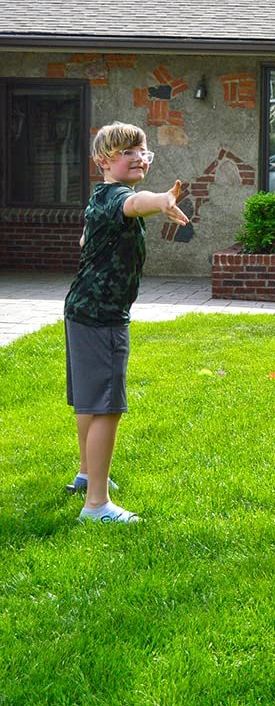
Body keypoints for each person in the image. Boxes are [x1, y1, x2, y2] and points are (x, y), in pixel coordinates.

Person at [64, 121, 190, 523]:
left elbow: (87, 239)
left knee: (89, 399)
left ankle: (86, 474)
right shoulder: (120, 196)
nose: (138, 156)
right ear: (103, 161)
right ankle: (97, 505)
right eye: (127, 152)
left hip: (83, 309)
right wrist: (161, 200)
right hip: (102, 317)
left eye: (142, 149)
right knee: (107, 407)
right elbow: (136, 204)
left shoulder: (101, 197)